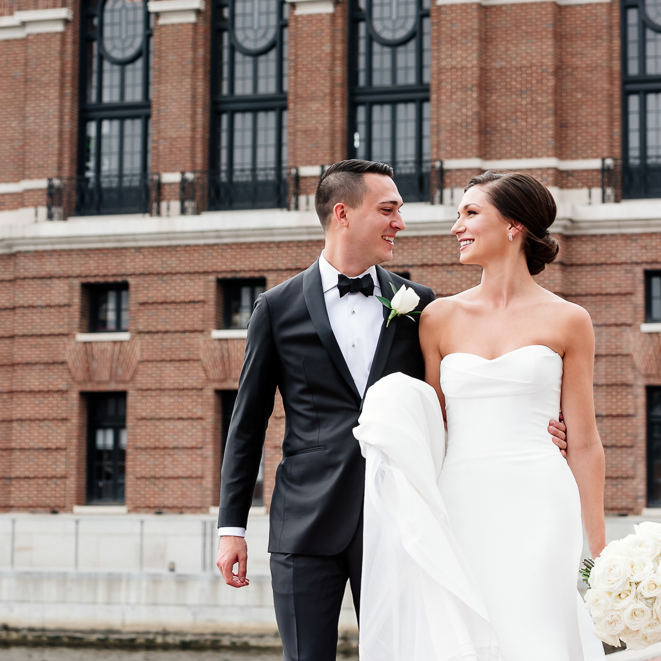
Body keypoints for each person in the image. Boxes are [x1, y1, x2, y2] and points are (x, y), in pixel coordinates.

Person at [215, 161, 570, 661]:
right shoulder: (276, 308)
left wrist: (544, 432)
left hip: (398, 521)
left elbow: (451, 404)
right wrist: (232, 528)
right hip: (305, 521)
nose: (400, 222)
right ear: (343, 213)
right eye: (388, 210)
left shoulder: (419, 306)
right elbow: (245, 425)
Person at [354, 171, 607, 661]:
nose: (456, 226)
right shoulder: (438, 317)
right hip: (462, 500)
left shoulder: (569, 320)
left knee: (535, 631)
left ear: (513, 225)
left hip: (542, 500)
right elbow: (434, 424)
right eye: (458, 214)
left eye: (470, 213)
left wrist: (598, 553)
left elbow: (585, 441)